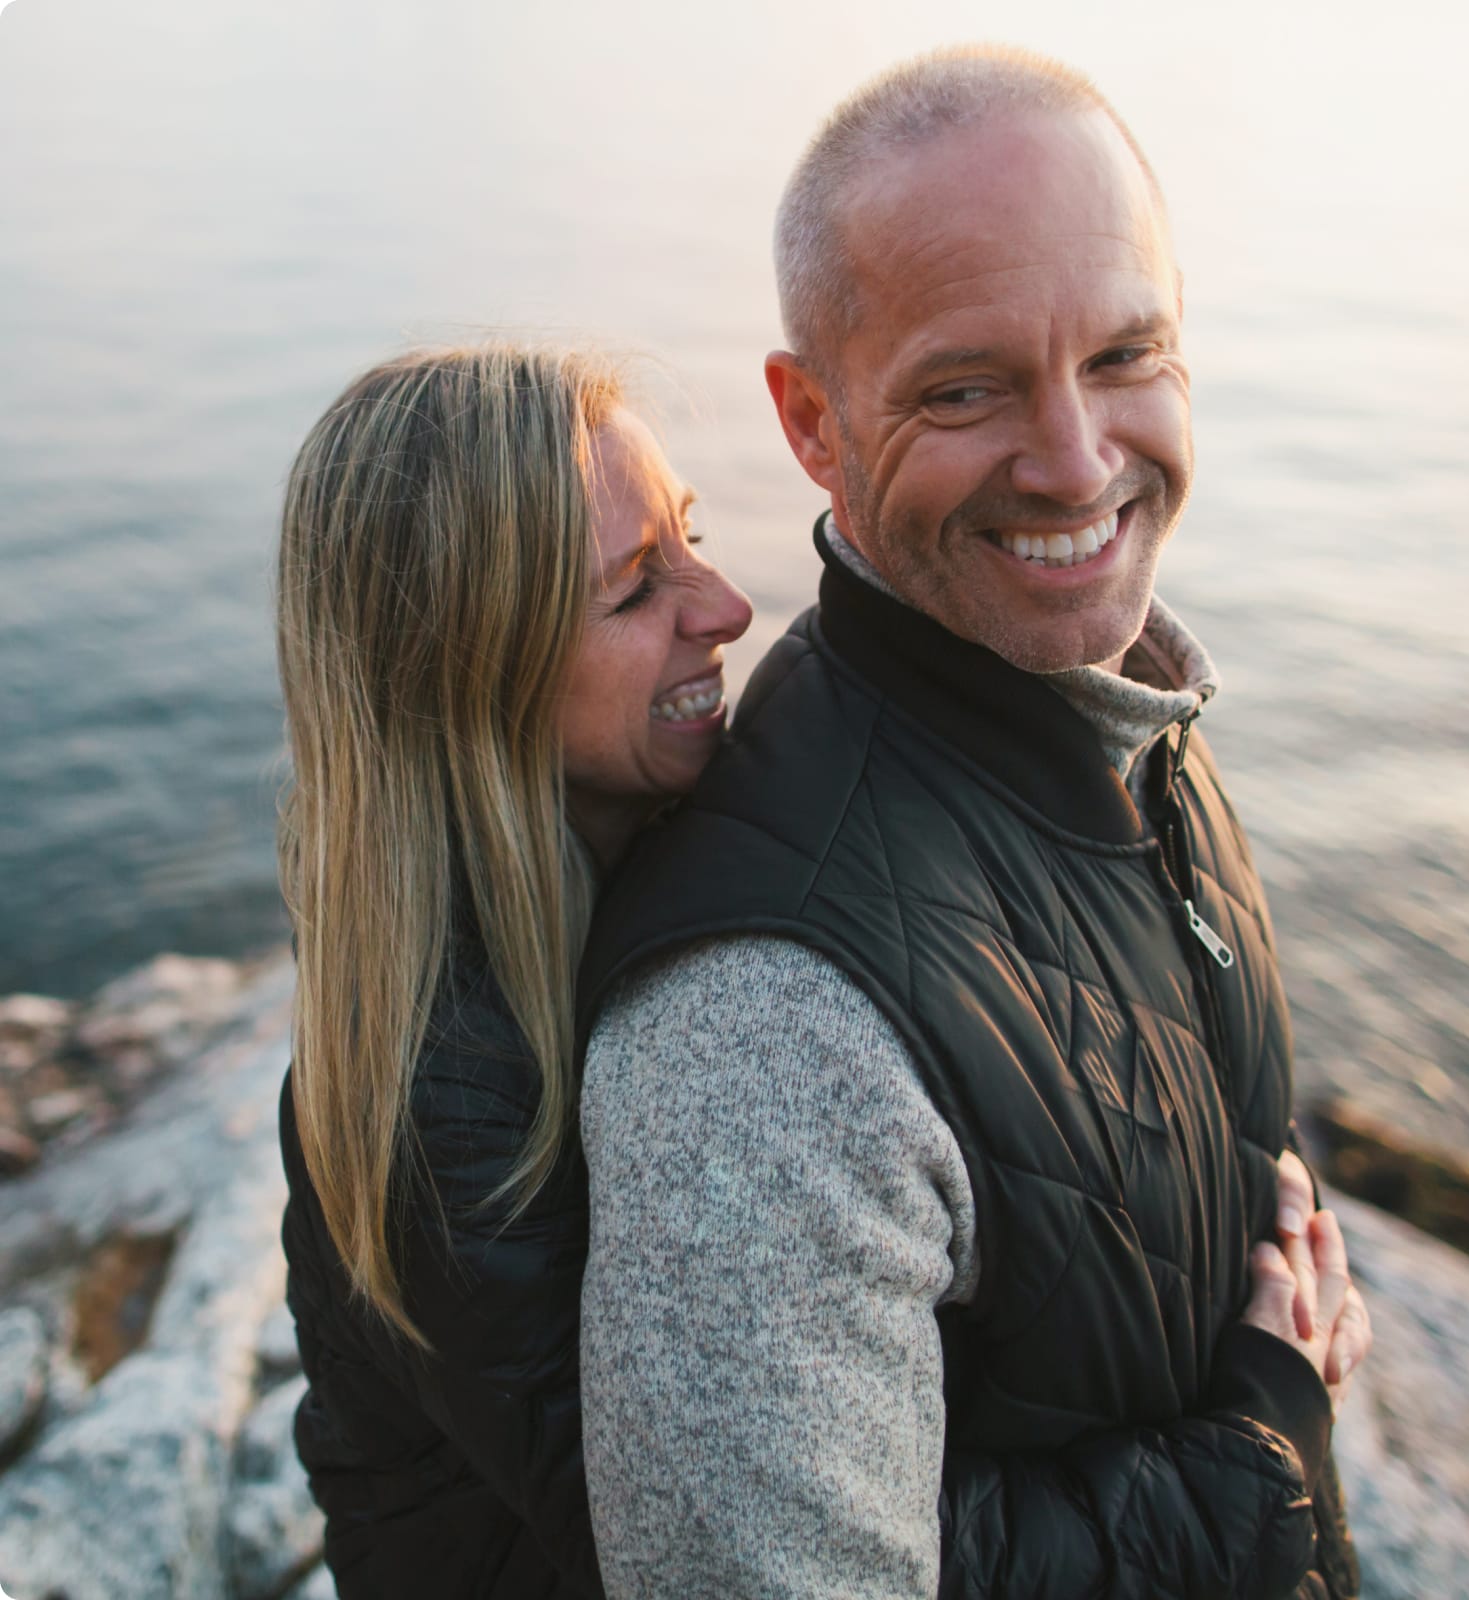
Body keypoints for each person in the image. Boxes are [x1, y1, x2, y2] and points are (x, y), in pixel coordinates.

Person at [578, 46, 1372, 1600]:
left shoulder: (1118, 713)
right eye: (966, 386)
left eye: (1127, 355)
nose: (1078, 461)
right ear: (812, 424)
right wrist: (1263, 1455)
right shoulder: (763, 1034)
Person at [274, 342, 751, 1596]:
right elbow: (705, 1546)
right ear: (472, 675)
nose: (725, 606)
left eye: (689, 536)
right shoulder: (440, 1098)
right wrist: (1243, 1436)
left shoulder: (646, 851)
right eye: (637, 587)